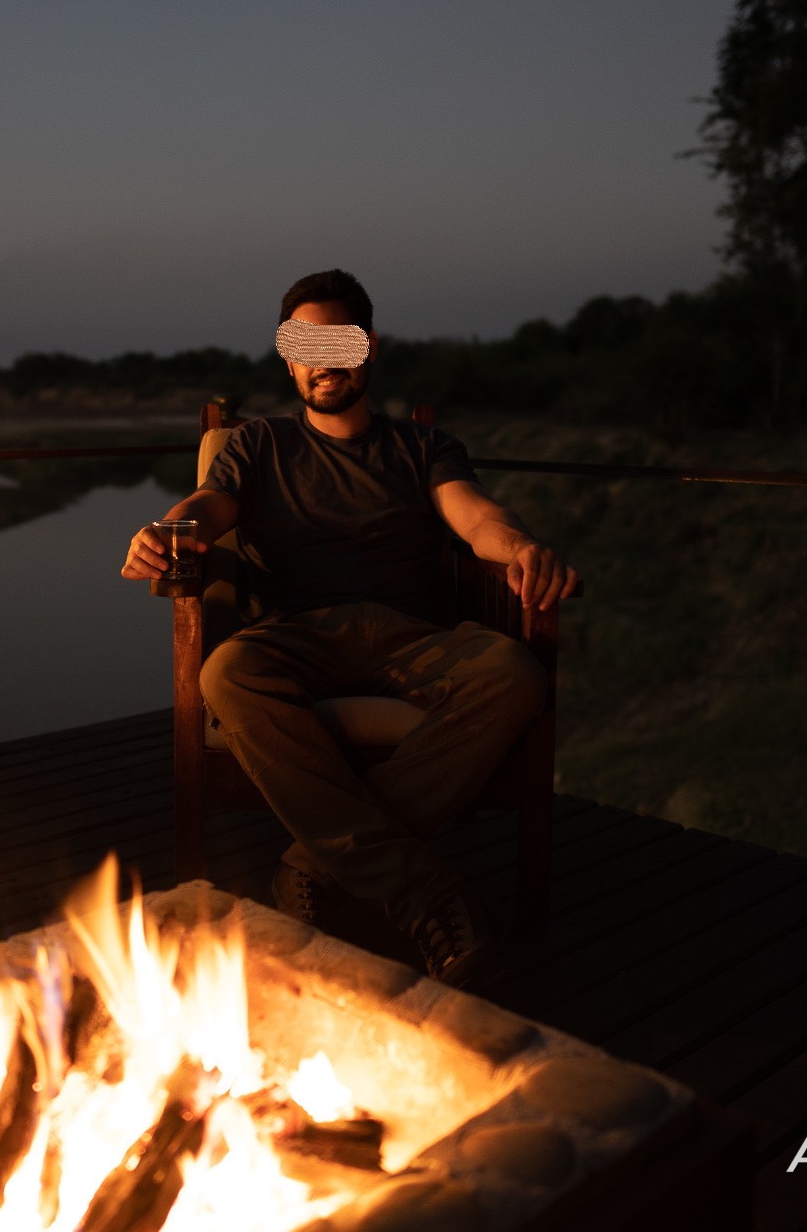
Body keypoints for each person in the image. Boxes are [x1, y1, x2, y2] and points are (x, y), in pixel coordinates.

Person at [119, 268, 578, 990]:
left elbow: (477, 517)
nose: (323, 358)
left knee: (515, 674)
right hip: (297, 636)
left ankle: (315, 857)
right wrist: (168, 530)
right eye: (306, 341)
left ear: (368, 348)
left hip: (411, 635)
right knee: (225, 673)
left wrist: (519, 547)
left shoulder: (423, 447)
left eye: (340, 340)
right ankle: (426, 894)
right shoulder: (259, 443)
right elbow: (208, 506)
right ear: (287, 354)